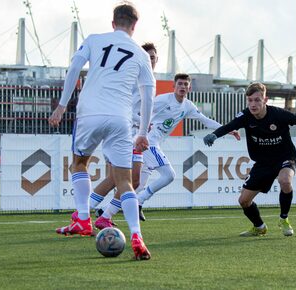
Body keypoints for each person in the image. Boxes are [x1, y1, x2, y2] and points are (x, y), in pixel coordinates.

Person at [48, 3, 154, 260]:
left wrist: (61, 105)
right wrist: (142, 133)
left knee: (79, 163)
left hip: (90, 113)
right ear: (134, 26)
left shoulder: (95, 40)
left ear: (113, 22)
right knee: (125, 181)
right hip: (120, 118)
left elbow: (74, 69)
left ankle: (83, 219)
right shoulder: (140, 54)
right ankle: (137, 236)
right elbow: (148, 92)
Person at [203, 82, 296, 237]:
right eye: (250, 100)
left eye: (257, 100)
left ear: (265, 100)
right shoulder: (245, 116)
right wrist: (215, 135)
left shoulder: (278, 115)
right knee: (244, 201)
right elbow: (229, 126)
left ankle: (283, 219)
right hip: (263, 163)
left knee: (285, 180)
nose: (253, 104)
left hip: (285, 157)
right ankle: (259, 227)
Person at [134, 73, 240, 220]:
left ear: (189, 88)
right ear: (174, 86)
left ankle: (106, 211)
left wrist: (228, 129)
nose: (183, 87)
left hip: (152, 143)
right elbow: (140, 110)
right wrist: (142, 125)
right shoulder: (163, 100)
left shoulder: (188, 106)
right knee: (169, 175)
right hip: (148, 143)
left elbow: (205, 120)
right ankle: (139, 201)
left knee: (137, 183)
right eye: (180, 84)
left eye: (185, 84)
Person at [82, 42, 158, 227]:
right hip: (124, 133)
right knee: (129, 179)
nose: (151, 60)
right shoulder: (133, 79)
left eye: (153, 57)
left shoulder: (145, 79)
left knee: (121, 178)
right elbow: (124, 108)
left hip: (132, 133)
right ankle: (91, 215)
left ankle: (95, 215)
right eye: (148, 57)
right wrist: (143, 123)